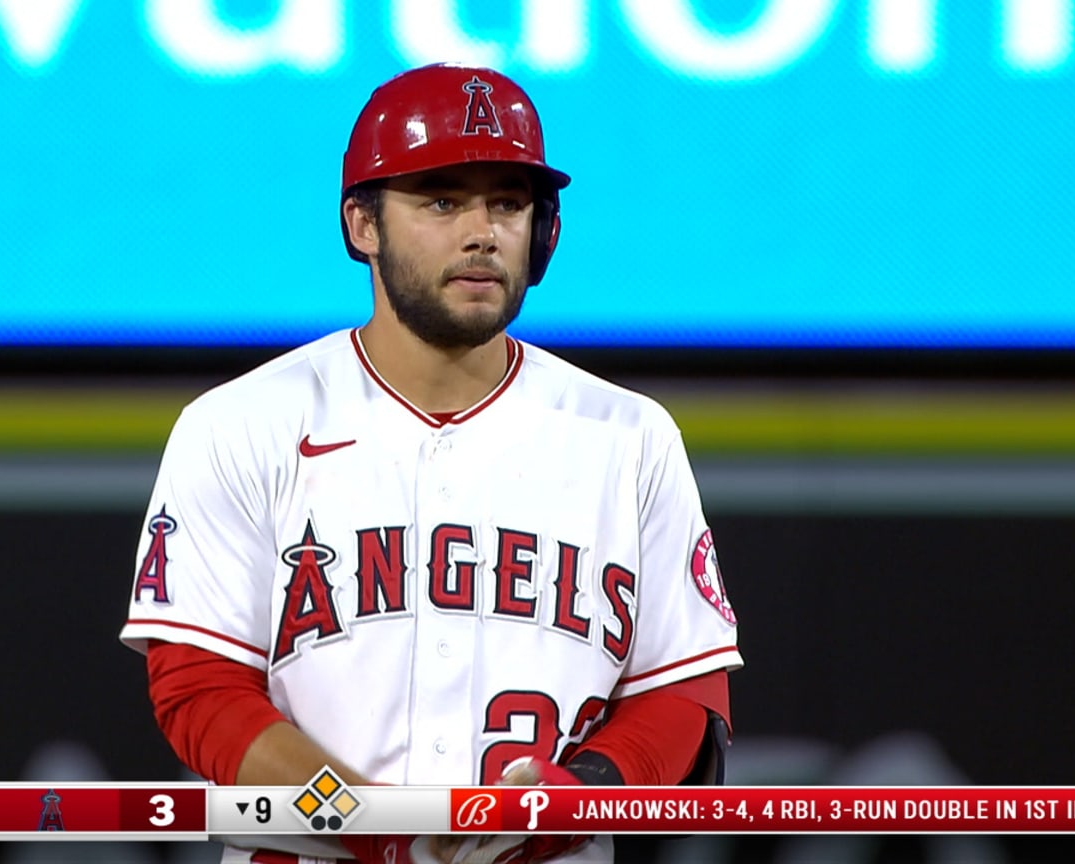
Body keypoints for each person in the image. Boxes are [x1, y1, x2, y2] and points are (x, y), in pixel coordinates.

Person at [119, 62, 742, 864]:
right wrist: (373, 826)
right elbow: (199, 691)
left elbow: (683, 696)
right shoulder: (242, 425)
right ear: (362, 226)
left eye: (508, 203)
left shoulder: (629, 436)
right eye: (442, 200)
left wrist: (580, 791)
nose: (481, 231)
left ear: (544, 232)